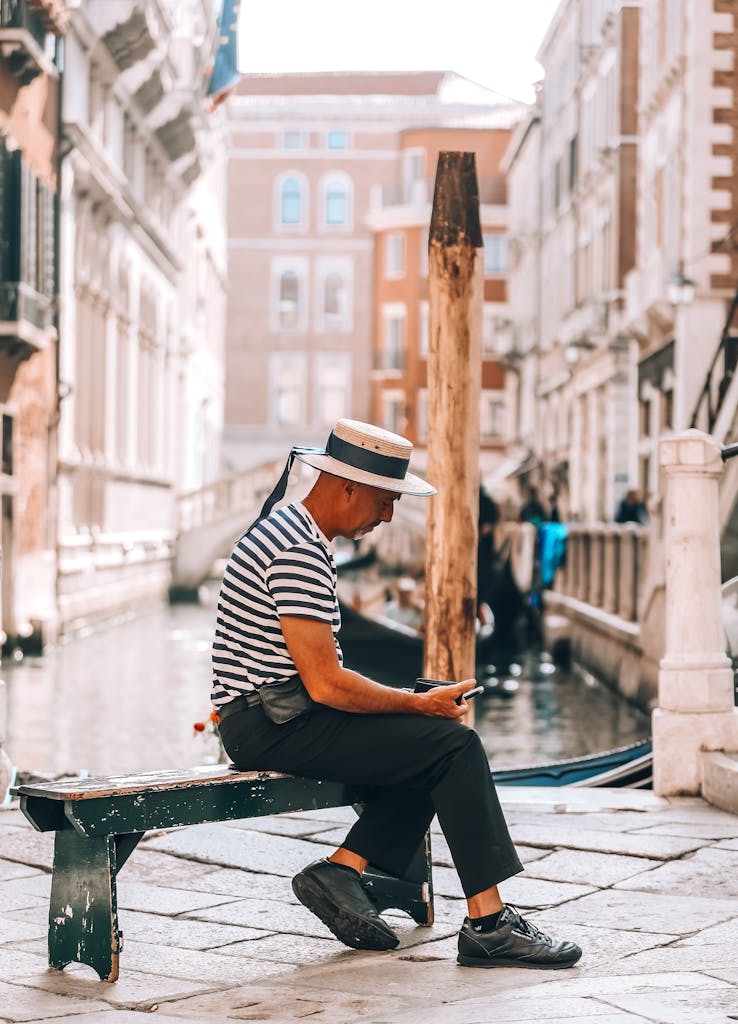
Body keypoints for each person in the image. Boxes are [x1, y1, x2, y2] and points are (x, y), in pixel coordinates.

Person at [211, 418, 581, 970]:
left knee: (433, 749)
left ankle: (345, 870)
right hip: (271, 722)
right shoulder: (296, 548)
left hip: (270, 716)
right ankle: (487, 922)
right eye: (384, 501)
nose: (387, 517)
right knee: (452, 746)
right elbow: (326, 683)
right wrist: (418, 704)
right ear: (347, 486)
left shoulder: (293, 532)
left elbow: (316, 679)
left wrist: (417, 711)